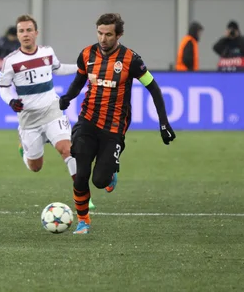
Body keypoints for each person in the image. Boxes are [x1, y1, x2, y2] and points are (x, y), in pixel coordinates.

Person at [59, 13, 176, 235]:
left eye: (108, 34)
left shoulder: (131, 59)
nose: (103, 39)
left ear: (119, 35)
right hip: (87, 121)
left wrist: (163, 123)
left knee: (100, 181)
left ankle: (112, 169)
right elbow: (78, 81)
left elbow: (154, 88)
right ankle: (83, 220)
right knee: (81, 172)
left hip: (114, 127)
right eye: (100, 33)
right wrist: (67, 97)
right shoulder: (87, 54)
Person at [0, 15, 96, 208]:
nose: (25, 34)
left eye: (28, 30)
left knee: (68, 148)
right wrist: (11, 100)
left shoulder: (47, 52)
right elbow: (3, 87)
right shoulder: (11, 61)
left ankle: (83, 193)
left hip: (52, 110)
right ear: (17, 35)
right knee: (35, 167)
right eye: (21, 31)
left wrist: (81, 68)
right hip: (29, 118)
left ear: (36, 32)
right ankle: (24, 152)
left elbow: (58, 69)